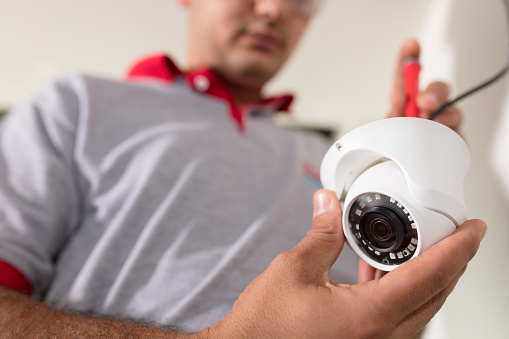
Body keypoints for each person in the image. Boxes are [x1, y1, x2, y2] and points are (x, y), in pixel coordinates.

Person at [0, 0, 485, 337]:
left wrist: (416, 174)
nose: (273, 9)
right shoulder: (77, 104)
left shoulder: (331, 158)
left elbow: (372, 311)